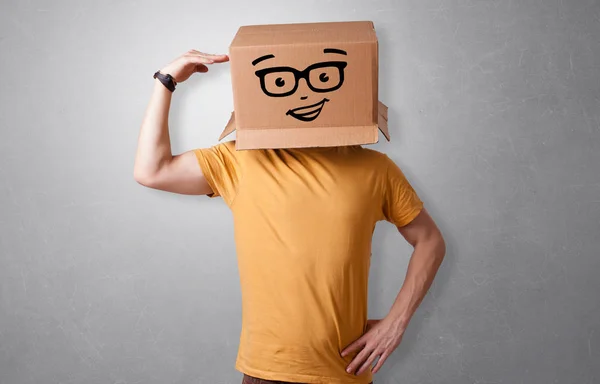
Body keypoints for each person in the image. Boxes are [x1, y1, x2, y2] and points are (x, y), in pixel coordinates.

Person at [134, 50, 446, 384]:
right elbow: (152, 171)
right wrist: (165, 81)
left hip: (345, 372)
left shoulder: (375, 169)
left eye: (322, 78)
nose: (303, 94)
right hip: (265, 374)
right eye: (281, 82)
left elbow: (430, 241)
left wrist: (396, 323)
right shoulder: (240, 160)